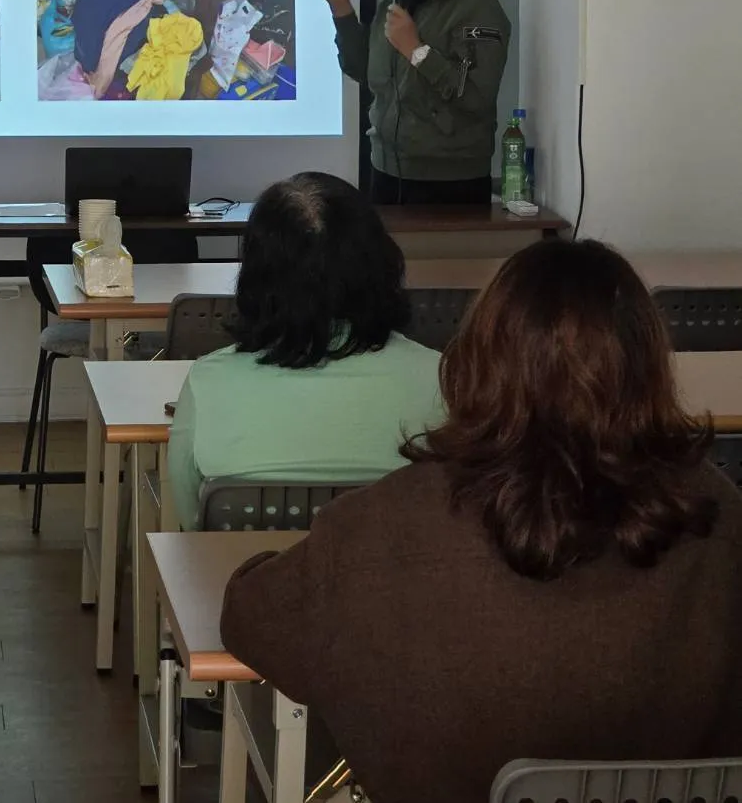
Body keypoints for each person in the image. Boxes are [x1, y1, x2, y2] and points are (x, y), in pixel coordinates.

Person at [221, 239, 742, 803]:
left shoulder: (378, 525)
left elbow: (251, 620)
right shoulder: (719, 516)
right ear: (650, 366)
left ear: (476, 359)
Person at [167, 171, 442, 529]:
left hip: (248, 566)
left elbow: (191, 522)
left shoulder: (208, 383)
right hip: (398, 566)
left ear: (255, 275)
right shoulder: (443, 379)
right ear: (382, 263)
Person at [319, 0, 510, 206]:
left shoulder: (479, 9)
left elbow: (475, 99)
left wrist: (417, 50)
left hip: (451, 183)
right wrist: (340, 7)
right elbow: (364, 70)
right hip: (385, 172)